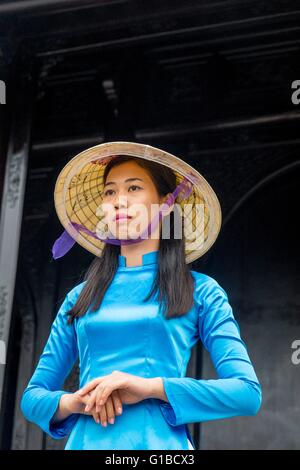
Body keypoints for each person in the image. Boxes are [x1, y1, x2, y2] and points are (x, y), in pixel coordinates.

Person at [20, 142, 262, 450]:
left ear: (166, 202)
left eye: (133, 188)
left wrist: (149, 387)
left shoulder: (200, 291)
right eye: (110, 192)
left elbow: (246, 393)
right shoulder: (80, 297)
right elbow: (32, 397)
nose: (119, 201)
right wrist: (77, 402)